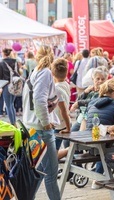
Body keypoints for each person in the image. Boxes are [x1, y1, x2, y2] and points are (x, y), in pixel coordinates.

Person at [22, 45, 60, 199]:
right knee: (50, 173)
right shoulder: (45, 73)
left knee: (40, 170)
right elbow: (38, 99)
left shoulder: (36, 72)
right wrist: (45, 122)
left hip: (31, 127)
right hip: (41, 128)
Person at [85, 78, 114, 189]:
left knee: (105, 141)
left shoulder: (92, 102)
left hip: (87, 139)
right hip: (102, 142)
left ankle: (113, 173)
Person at [70, 66, 109, 132]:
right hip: (81, 118)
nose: (100, 81)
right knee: (67, 139)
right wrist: (85, 92)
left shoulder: (105, 92)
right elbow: (78, 100)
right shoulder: (90, 90)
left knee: (78, 138)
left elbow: (94, 101)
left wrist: (79, 103)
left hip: (92, 120)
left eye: (103, 79)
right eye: (98, 78)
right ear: (93, 79)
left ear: (106, 80)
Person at [50, 58, 71, 159]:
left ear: (52, 73)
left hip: (59, 125)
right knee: (54, 150)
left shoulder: (56, 88)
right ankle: (70, 151)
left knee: (53, 153)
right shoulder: (66, 84)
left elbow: (62, 110)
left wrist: (68, 127)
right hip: (64, 123)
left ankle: (69, 151)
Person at [0, 48, 19, 125]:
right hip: (15, 84)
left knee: (8, 106)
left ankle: (13, 124)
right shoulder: (15, 61)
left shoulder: (1, 63)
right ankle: (14, 122)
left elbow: (0, 76)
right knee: (11, 105)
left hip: (6, 85)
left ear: (3, 53)